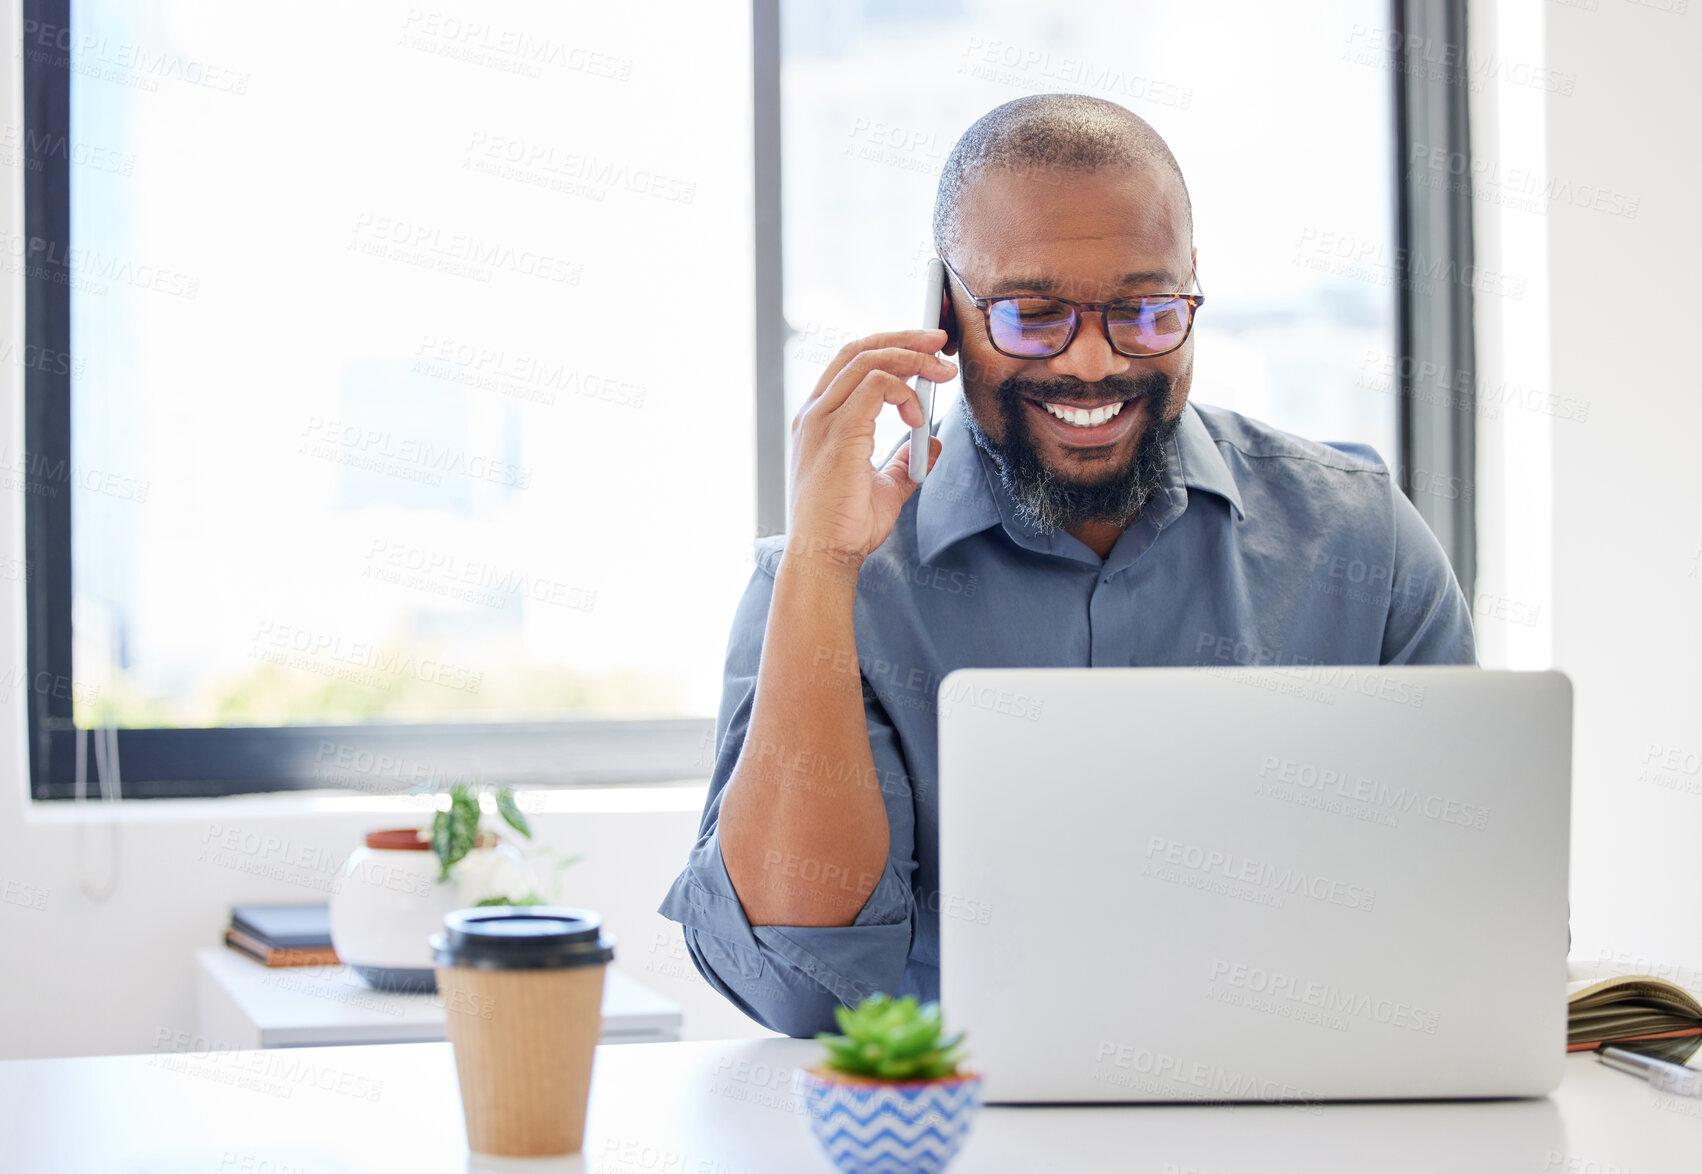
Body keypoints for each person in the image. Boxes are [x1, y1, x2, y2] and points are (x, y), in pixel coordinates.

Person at [658, 94, 1474, 1037]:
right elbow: (797, 986)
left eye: (1145, 308)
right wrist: (822, 565)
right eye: (1033, 313)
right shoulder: (833, 585)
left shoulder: (1361, 540)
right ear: (945, 314)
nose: (1093, 363)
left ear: (1194, 286)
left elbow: (1467, 916)